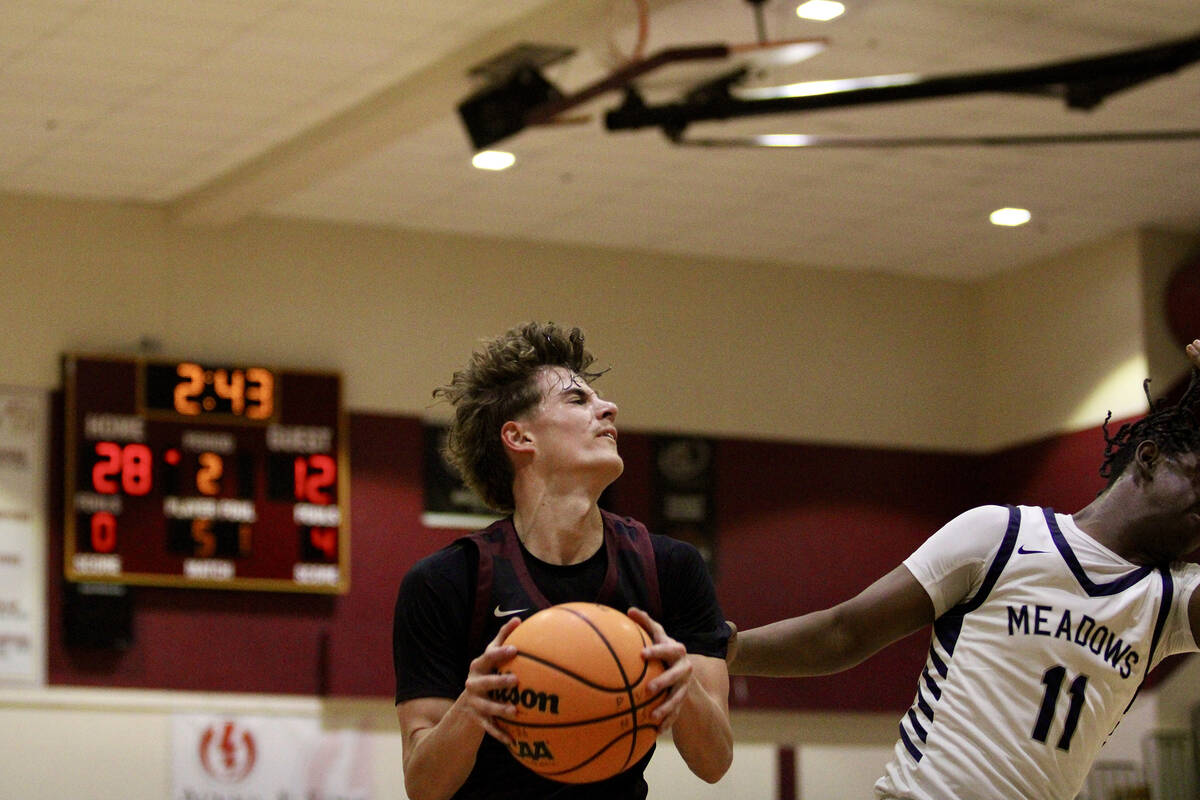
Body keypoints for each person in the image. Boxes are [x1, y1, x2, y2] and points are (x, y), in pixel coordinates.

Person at [727, 339, 1200, 800]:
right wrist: (726, 650)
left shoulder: (1171, 599)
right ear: (1149, 458)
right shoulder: (1002, 534)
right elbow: (845, 631)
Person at [393, 321, 733, 800]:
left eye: (599, 399)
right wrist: (472, 707)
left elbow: (715, 763)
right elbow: (423, 787)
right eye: (578, 400)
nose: (609, 407)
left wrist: (685, 691)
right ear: (519, 437)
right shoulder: (447, 581)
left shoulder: (671, 566)